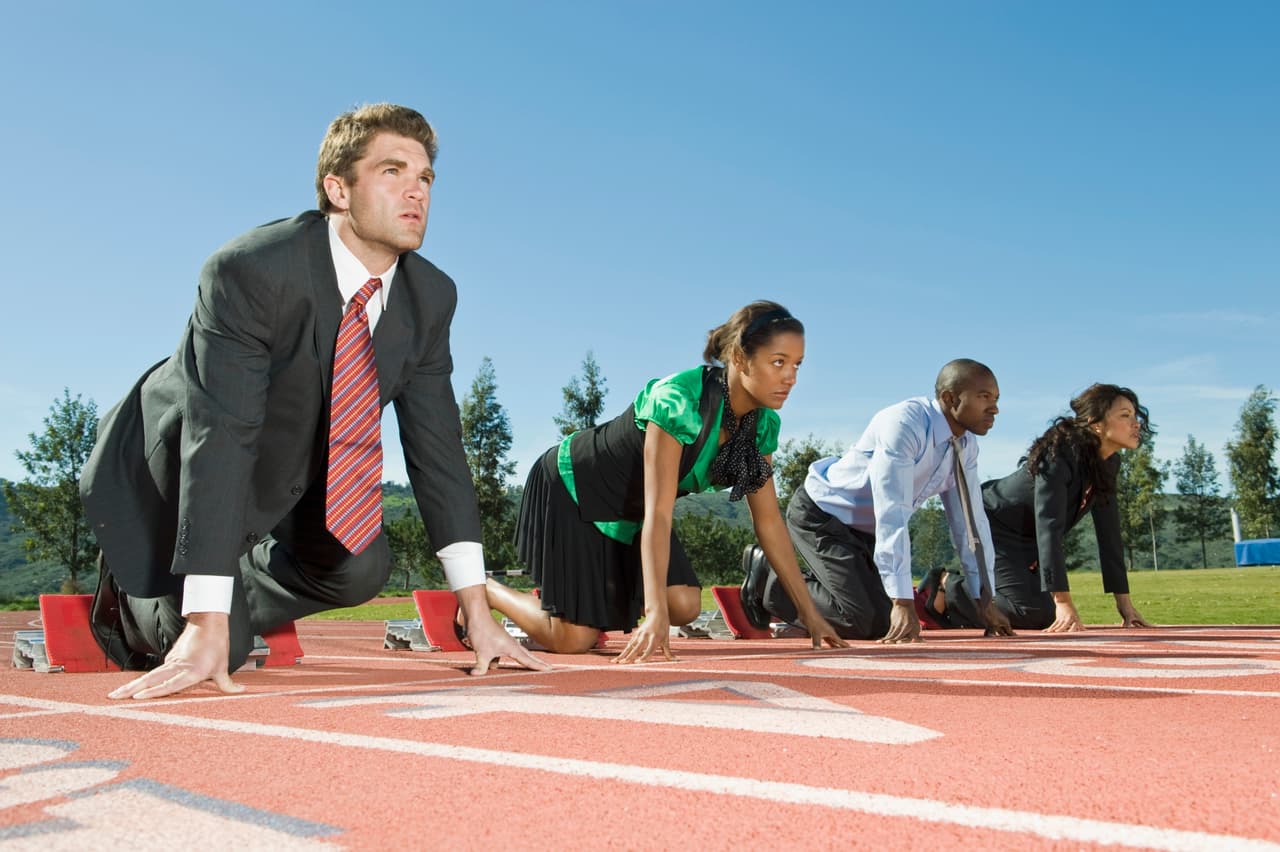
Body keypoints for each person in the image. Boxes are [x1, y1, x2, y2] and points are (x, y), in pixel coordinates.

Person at [80, 103, 547, 700]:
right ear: (338, 190)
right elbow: (221, 436)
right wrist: (205, 618)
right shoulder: (250, 269)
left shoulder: (430, 297)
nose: (417, 192)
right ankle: (136, 600)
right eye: (392, 172)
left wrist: (478, 615)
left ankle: (228, 594)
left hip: (288, 470)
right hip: (174, 467)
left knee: (360, 566)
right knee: (216, 643)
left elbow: (439, 454)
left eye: (426, 177)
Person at [481, 301, 847, 662]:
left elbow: (769, 522)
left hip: (635, 508)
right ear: (739, 358)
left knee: (684, 605)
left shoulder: (762, 426)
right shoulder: (678, 401)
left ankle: (588, 607)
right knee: (573, 641)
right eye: (778, 362)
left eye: (797, 365)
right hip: (578, 487)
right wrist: (654, 613)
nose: (791, 378)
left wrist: (810, 615)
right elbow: (658, 513)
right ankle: (486, 592)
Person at [742, 359, 1014, 643]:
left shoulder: (966, 447)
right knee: (865, 620)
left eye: (996, 399)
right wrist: (902, 602)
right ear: (950, 398)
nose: (994, 408)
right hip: (824, 515)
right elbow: (892, 511)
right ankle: (770, 579)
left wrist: (984, 598)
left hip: (868, 530)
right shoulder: (905, 424)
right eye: (984, 397)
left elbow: (970, 524)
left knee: (882, 619)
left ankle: (826, 584)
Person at [979, 384, 1155, 631]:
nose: (1136, 424)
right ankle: (945, 589)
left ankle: (968, 595)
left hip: (1028, 536)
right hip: (991, 523)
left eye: (1135, 416)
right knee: (1031, 613)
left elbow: (1109, 534)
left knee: (1042, 614)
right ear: (1096, 423)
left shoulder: (1109, 462)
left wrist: (1125, 604)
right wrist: (1062, 601)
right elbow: (1049, 526)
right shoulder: (1059, 454)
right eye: (1125, 415)